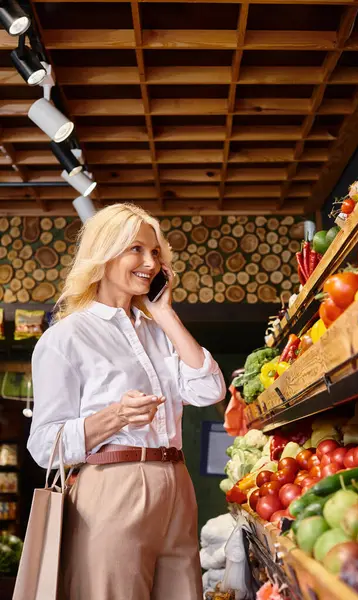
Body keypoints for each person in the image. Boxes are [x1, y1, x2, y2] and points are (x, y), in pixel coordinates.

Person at [27, 203, 226, 600]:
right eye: (136, 249)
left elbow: (209, 390)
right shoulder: (66, 337)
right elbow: (44, 444)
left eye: (155, 253)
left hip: (177, 485)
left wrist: (165, 313)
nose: (149, 262)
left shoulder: (157, 330)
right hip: (113, 487)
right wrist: (115, 417)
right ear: (105, 253)